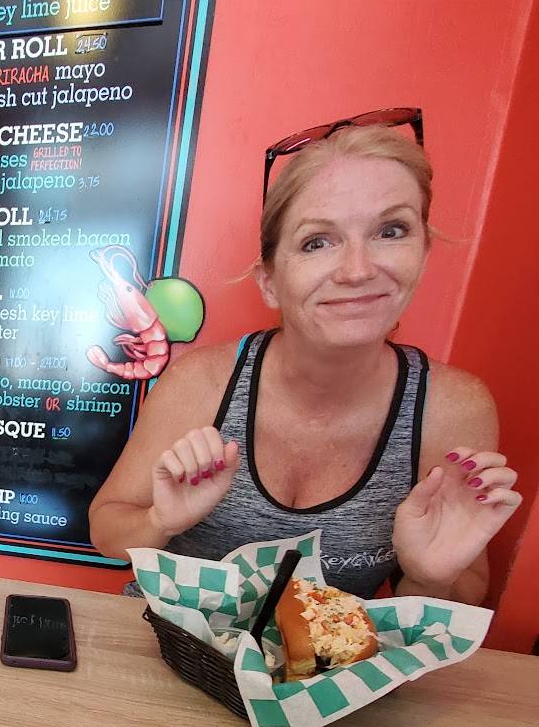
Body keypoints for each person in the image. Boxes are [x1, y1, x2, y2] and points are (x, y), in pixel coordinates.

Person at [89, 112, 521, 601]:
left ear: (423, 252)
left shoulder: (453, 407)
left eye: (391, 231)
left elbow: (463, 597)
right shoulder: (200, 383)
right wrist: (159, 521)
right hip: (172, 648)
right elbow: (108, 531)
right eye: (318, 242)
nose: (358, 270)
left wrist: (428, 575)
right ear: (269, 280)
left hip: (320, 675)